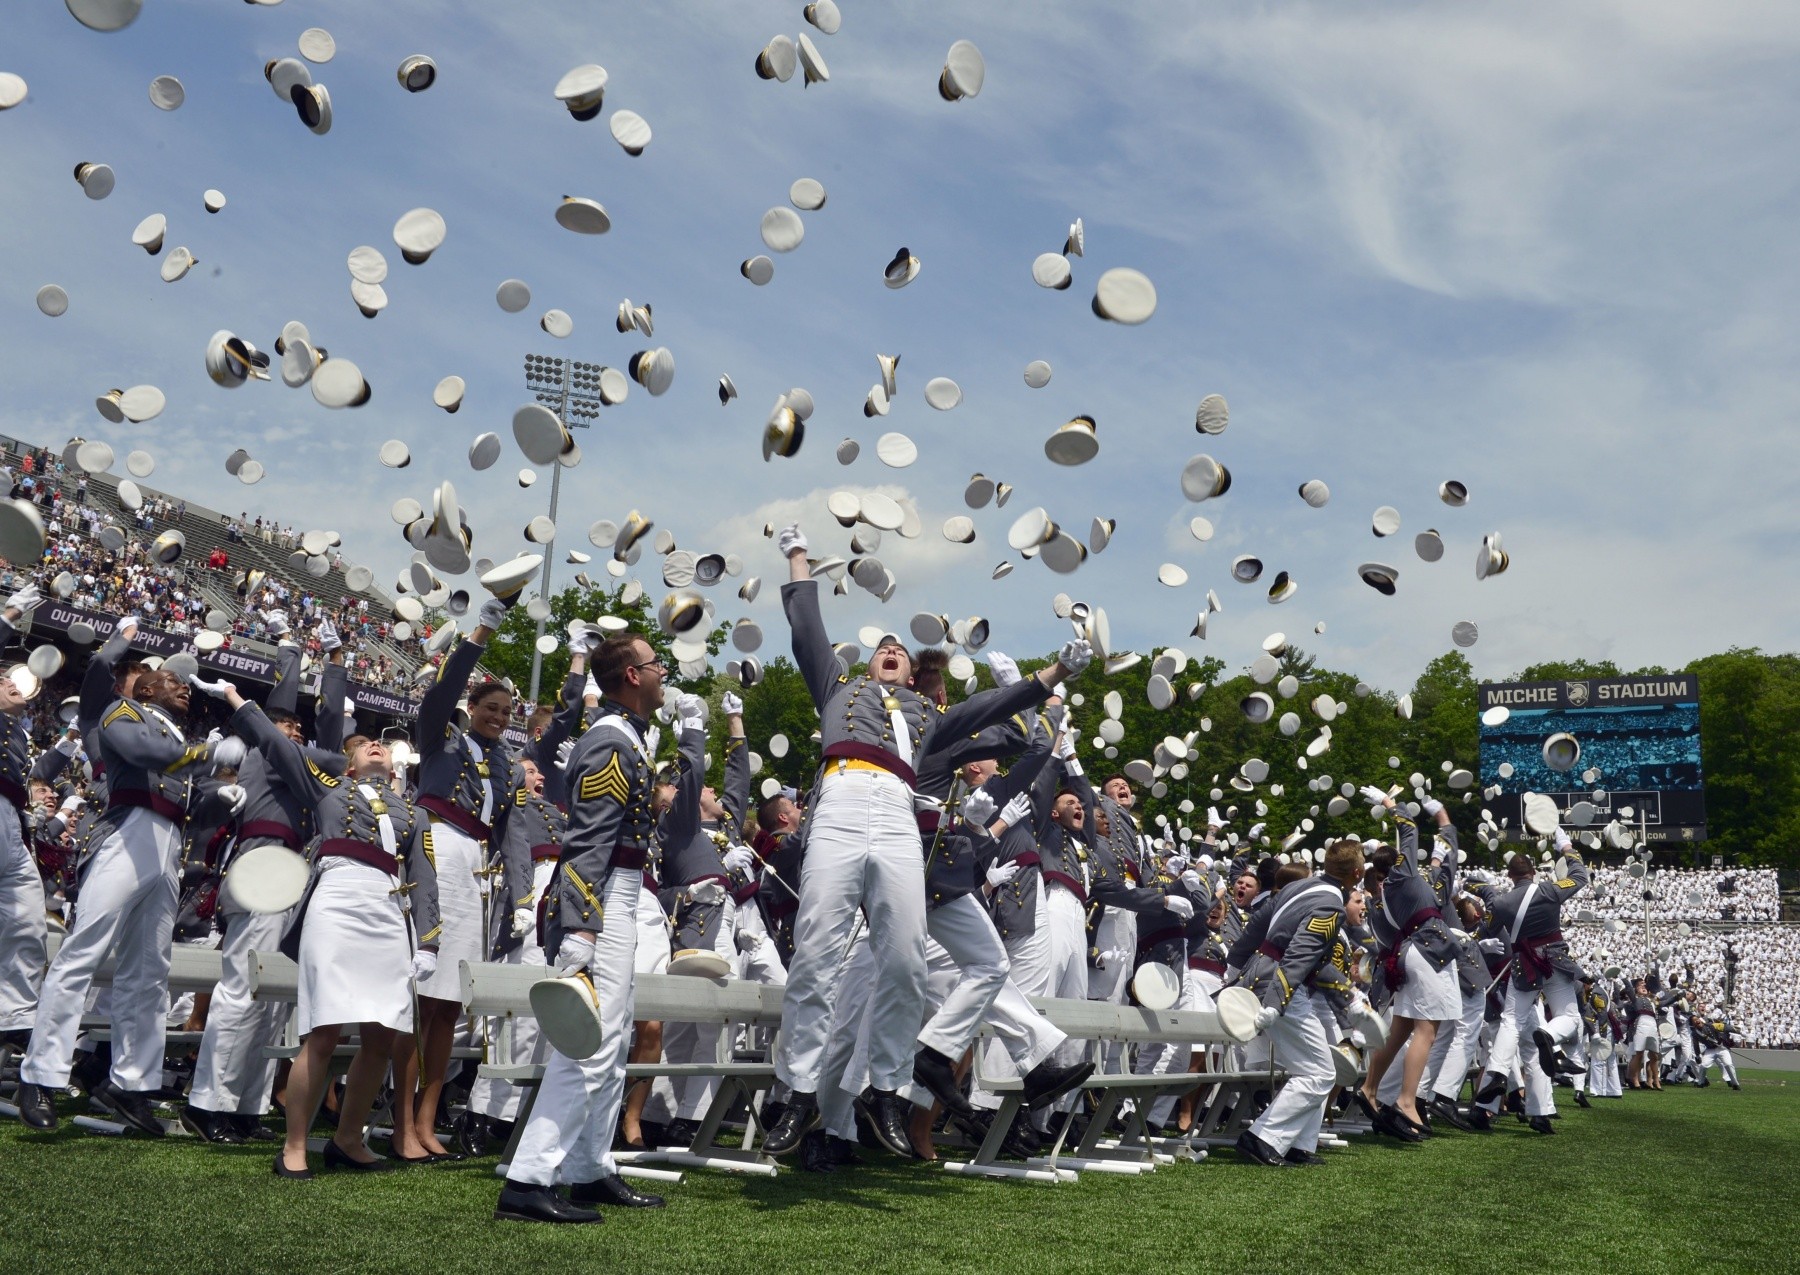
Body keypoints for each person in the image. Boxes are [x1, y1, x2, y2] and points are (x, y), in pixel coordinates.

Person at [762, 522, 1087, 1157]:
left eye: (899, 650)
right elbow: (807, 631)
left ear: (911, 673)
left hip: (895, 810)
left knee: (907, 959)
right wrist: (798, 554)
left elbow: (991, 712)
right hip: (843, 792)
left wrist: (1051, 675)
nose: (889, 649)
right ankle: (795, 1089)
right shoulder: (838, 687)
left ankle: (886, 1086)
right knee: (817, 948)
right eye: (881, 646)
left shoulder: (928, 717)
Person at [221, 677, 441, 1180]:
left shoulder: (416, 812)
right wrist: (239, 701)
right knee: (322, 1031)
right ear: (348, 759)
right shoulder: (328, 786)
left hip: (387, 910)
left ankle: (347, 1138)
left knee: (382, 1036)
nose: (375, 746)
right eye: (364, 744)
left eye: (381, 745)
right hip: (337, 901)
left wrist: (429, 942)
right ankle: (295, 1145)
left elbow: (425, 881)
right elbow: (279, 745)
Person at [15, 668, 245, 1132]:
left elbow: (185, 793)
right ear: (144, 689)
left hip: (166, 843)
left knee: (150, 970)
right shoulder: (124, 712)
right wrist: (208, 754)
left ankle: (131, 1082)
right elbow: (145, 753)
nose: (183, 686)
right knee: (83, 953)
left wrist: (218, 792)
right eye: (170, 679)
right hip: (126, 833)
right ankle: (40, 1074)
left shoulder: (177, 735)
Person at [496, 631, 672, 1224]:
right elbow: (588, 843)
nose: (663, 671)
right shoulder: (611, 741)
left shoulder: (628, 738)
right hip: (605, 897)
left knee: (614, 1042)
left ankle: (588, 1168)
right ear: (631, 676)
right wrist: (583, 926)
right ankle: (527, 1179)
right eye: (655, 664)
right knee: (587, 1044)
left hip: (620, 893)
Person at [182, 620, 348, 1144]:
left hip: (290, 873)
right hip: (261, 867)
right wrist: (290, 654)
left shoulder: (289, 755)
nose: (293, 736)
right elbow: (327, 750)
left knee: (272, 999)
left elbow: (330, 742)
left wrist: (335, 660)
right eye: (286, 730)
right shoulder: (264, 752)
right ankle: (206, 1102)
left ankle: (246, 1107)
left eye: (297, 731)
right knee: (240, 991)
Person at [411, 597, 516, 1159]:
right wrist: (480, 634)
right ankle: (405, 1120)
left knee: (450, 1001)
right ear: (470, 707)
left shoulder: (503, 763)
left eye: (505, 713)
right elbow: (444, 689)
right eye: (490, 708)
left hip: (475, 866)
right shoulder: (440, 735)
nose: (497, 718)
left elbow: (506, 830)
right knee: (424, 995)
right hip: (436, 847)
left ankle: (428, 1120)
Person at [1232, 838, 1368, 1167]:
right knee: (1321, 1073)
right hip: (1282, 988)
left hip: (1265, 978)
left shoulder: (1299, 887)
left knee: (1313, 1069)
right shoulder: (1331, 906)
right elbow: (1300, 954)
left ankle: (1297, 1145)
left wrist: (1348, 993)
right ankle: (1262, 1138)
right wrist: (1275, 1002)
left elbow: (1254, 933)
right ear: (1358, 873)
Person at [1356, 794, 1461, 1140]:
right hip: (1429, 951)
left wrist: (1445, 823)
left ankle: (1370, 1089)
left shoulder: (1389, 892)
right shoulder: (1401, 878)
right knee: (1427, 1031)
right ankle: (1405, 1100)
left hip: (1415, 951)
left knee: (1401, 1029)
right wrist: (1390, 804)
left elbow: (1443, 866)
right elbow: (1409, 828)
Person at [1474, 831, 1589, 1133]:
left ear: (1510, 876)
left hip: (1523, 965)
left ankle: (1498, 1073)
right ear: (1533, 872)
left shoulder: (1501, 902)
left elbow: (1486, 931)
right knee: (1569, 1016)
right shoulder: (1550, 890)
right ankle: (1550, 1037)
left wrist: (1487, 896)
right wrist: (1566, 846)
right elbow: (1580, 876)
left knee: (1511, 1021)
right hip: (1554, 961)